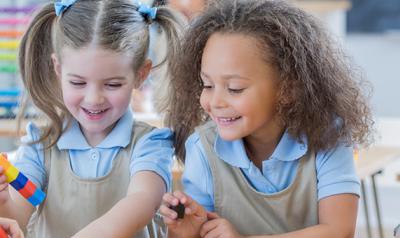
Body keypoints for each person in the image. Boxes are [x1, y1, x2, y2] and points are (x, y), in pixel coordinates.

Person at [160, 0, 373, 237]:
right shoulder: (202, 148)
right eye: (207, 85)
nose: (215, 102)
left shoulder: (328, 134)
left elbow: (339, 231)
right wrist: (188, 231)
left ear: (288, 89)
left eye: (235, 88)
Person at [0, 0, 183, 237]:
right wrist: (4, 201)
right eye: (78, 82)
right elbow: (18, 217)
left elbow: (141, 202)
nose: (94, 98)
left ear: (141, 74)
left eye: (113, 84)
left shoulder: (150, 144)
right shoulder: (41, 144)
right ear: (58, 69)